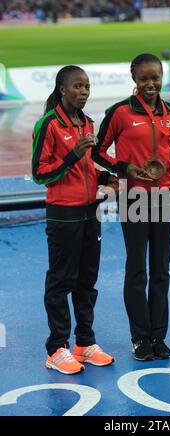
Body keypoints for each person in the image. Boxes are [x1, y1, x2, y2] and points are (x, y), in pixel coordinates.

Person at [92, 53, 170, 361]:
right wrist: (123, 168)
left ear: (162, 78)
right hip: (134, 197)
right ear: (134, 79)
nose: (151, 84)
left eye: (156, 78)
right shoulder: (119, 113)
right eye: (144, 78)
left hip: (165, 196)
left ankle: (158, 337)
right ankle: (139, 337)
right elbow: (98, 152)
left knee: (161, 269)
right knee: (137, 269)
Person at [32, 65, 117, 374]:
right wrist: (71, 155)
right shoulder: (49, 124)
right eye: (77, 86)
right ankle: (56, 348)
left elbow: (89, 167)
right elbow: (39, 173)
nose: (84, 91)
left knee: (86, 280)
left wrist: (107, 176)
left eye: (87, 86)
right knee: (60, 281)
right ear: (62, 89)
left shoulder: (88, 123)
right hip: (63, 214)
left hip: (90, 210)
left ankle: (84, 343)